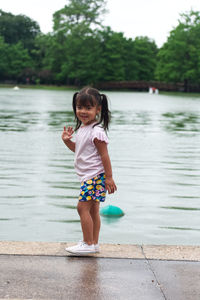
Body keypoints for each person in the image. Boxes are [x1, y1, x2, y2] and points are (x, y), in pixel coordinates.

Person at [62, 87, 117, 255]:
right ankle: (93, 243)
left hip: (94, 176)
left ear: (98, 109)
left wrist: (109, 177)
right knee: (93, 209)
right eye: (80, 107)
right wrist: (67, 141)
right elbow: (79, 151)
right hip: (89, 177)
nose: (83, 111)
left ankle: (87, 243)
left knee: (82, 208)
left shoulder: (96, 131)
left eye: (88, 108)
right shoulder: (83, 129)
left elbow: (104, 156)